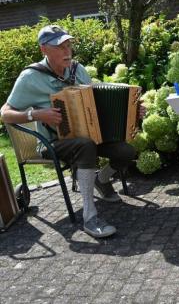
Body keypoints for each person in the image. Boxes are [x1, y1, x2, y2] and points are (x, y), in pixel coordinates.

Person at [0, 25, 144, 238]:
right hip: (52, 142)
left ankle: (101, 180)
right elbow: (5, 113)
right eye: (60, 47)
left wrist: (132, 111)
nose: (67, 51)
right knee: (85, 145)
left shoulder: (78, 70)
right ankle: (90, 217)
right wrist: (37, 115)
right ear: (44, 50)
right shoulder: (30, 77)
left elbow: (97, 102)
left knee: (126, 151)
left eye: (69, 45)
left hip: (90, 135)